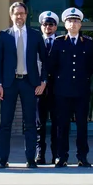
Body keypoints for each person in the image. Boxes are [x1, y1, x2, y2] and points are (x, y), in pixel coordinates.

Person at [0, 2, 46, 168]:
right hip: (9, 84)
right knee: (5, 123)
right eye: (16, 13)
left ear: (26, 15)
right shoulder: (4, 35)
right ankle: (3, 159)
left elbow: (45, 59)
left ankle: (30, 159)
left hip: (29, 83)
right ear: (11, 16)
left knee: (30, 123)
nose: (19, 16)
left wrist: (43, 81)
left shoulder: (35, 35)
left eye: (22, 13)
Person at [45, 7, 93, 167]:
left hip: (81, 90)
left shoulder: (88, 43)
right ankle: (62, 156)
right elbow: (51, 65)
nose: (73, 24)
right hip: (62, 91)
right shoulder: (59, 42)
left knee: (82, 125)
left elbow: (91, 66)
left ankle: (82, 156)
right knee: (62, 126)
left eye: (76, 21)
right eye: (70, 21)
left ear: (80, 24)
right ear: (65, 24)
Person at [34, 11, 60, 165]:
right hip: (39, 88)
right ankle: (40, 153)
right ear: (41, 26)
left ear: (56, 27)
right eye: (45, 24)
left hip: (57, 88)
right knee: (39, 123)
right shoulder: (36, 42)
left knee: (57, 122)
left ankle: (56, 154)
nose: (48, 27)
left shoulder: (61, 41)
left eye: (51, 24)